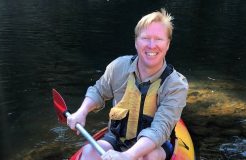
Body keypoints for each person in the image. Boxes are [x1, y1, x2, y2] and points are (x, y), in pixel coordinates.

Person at [67, 8, 188, 160]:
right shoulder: (119, 66)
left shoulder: (176, 85)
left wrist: (128, 156)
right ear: (136, 42)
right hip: (117, 139)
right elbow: (98, 91)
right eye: (145, 38)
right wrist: (82, 112)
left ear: (168, 44)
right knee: (89, 153)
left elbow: (159, 130)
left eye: (158, 39)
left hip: (154, 146)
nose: (151, 45)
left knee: (146, 157)